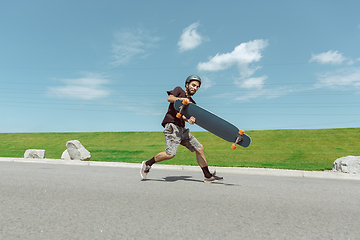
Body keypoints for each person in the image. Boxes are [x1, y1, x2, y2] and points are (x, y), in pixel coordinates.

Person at [140, 75, 223, 182]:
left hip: (182, 129)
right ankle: (147, 163)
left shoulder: (192, 103)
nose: (195, 88)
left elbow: (184, 116)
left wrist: (189, 120)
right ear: (187, 84)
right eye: (193, 85)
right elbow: (170, 98)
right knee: (170, 154)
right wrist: (181, 99)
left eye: (197, 87)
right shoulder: (179, 90)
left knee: (199, 148)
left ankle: (207, 175)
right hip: (172, 126)